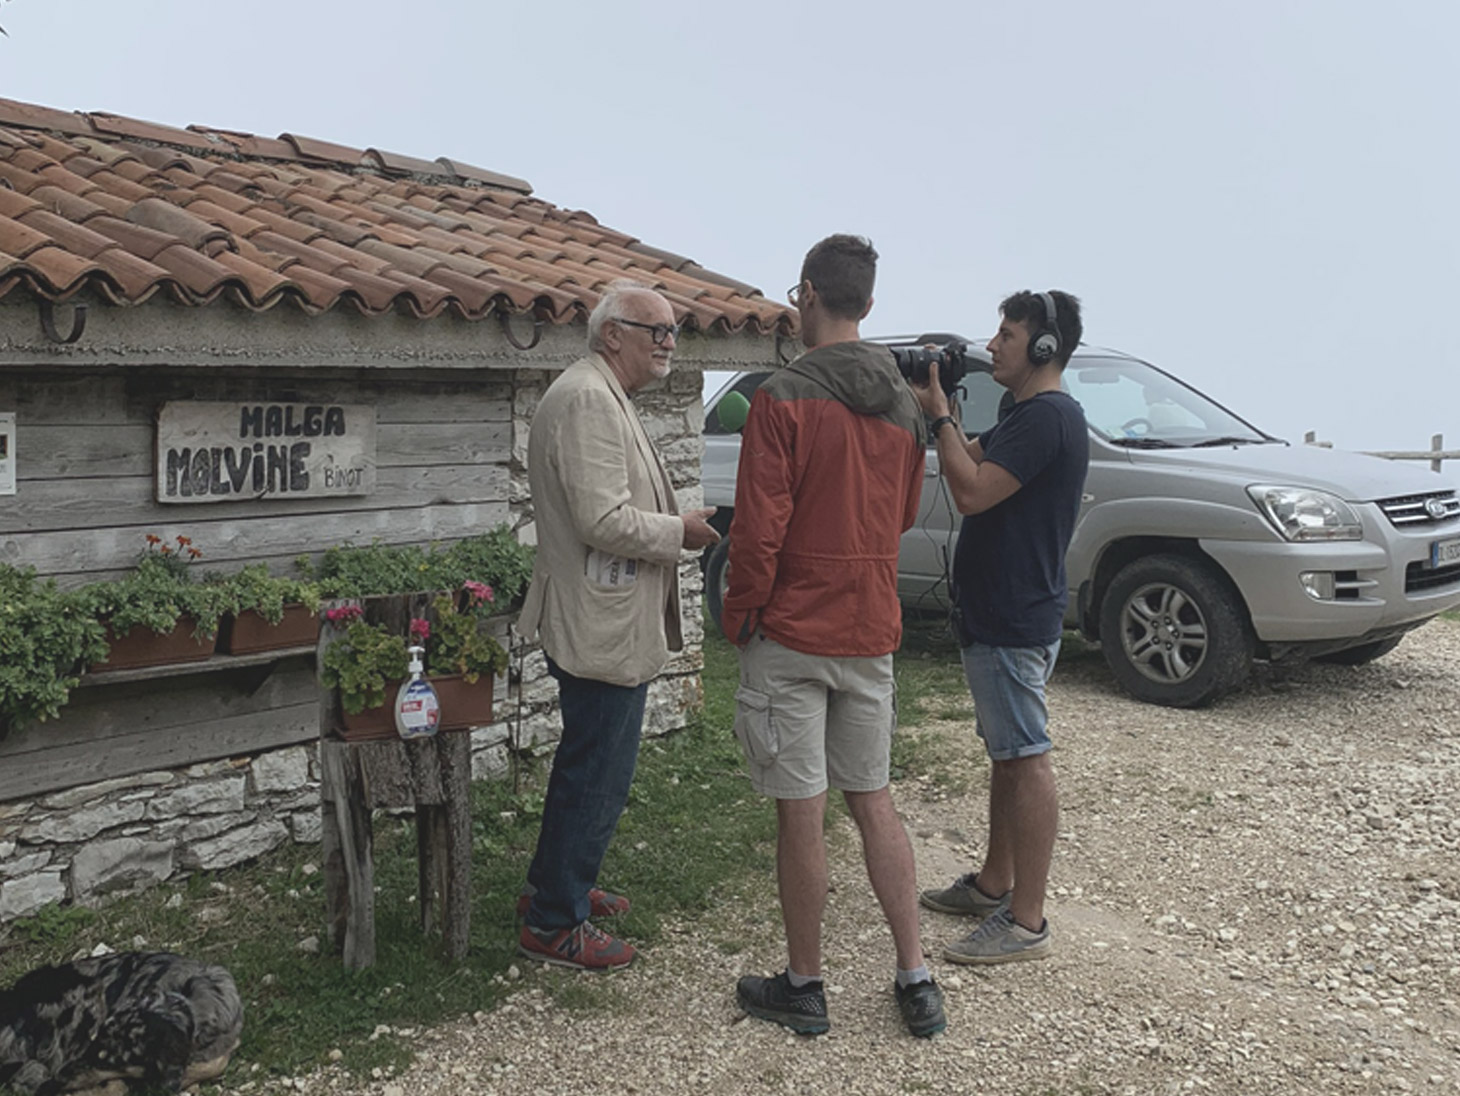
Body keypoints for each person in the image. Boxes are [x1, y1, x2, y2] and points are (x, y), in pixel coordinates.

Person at [722, 235, 946, 1038]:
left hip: (791, 628)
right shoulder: (905, 409)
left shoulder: (781, 398)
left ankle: (806, 983)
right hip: (870, 626)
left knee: (802, 812)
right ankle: (915, 976)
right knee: (875, 802)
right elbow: (901, 516)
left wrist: (740, 612)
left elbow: (758, 530)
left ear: (808, 294)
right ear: (871, 305)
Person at [516, 281, 721, 970]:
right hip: (597, 622)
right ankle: (553, 923)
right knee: (597, 772)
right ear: (611, 335)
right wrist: (681, 532)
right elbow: (601, 520)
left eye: (674, 330)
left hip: (599, 613)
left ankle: (556, 887)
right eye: (654, 329)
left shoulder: (599, 392)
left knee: (588, 762)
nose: (668, 341)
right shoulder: (587, 400)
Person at [911, 290, 1089, 965]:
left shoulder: (1049, 419)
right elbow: (970, 452)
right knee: (1007, 755)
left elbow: (971, 489)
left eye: (1006, 335)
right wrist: (940, 409)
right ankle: (994, 883)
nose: (993, 346)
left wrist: (938, 419)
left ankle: (1026, 921)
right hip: (1002, 613)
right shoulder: (1026, 414)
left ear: (1044, 347)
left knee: (1026, 756)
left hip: (1014, 619)